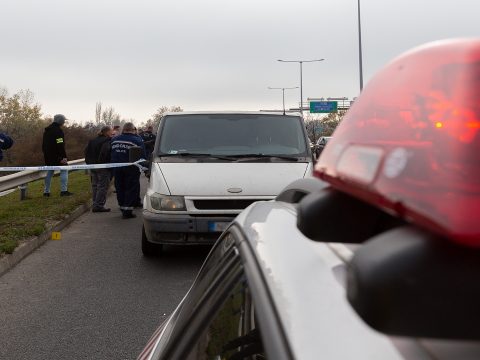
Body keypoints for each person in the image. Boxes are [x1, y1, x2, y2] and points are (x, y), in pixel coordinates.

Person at [110, 122, 146, 219]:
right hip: (131, 169)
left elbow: (110, 153)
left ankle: (122, 207)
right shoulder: (137, 140)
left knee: (120, 187)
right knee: (130, 188)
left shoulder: (114, 140)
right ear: (133, 130)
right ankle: (127, 210)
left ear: (124, 129)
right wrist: (144, 167)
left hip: (117, 168)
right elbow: (142, 156)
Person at [42, 114, 72, 197]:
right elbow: (60, 145)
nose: (64, 122)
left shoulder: (47, 131)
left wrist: (46, 155)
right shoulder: (58, 131)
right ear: (61, 121)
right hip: (58, 156)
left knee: (50, 172)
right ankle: (63, 191)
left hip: (48, 156)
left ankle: (46, 192)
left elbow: (44, 145)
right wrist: (63, 157)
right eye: (64, 121)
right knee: (64, 170)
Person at [84, 126, 113, 212]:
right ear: (107, 132)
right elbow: (106, 154)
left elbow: (86, 152)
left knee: (95, 186)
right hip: (103, 166)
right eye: (111, 131)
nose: (112, 133)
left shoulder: (92, 141)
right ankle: (99, 205)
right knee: (103, 186)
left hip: (92, 166)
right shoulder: (107, 141)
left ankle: (95, 203)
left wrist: (89, 163)